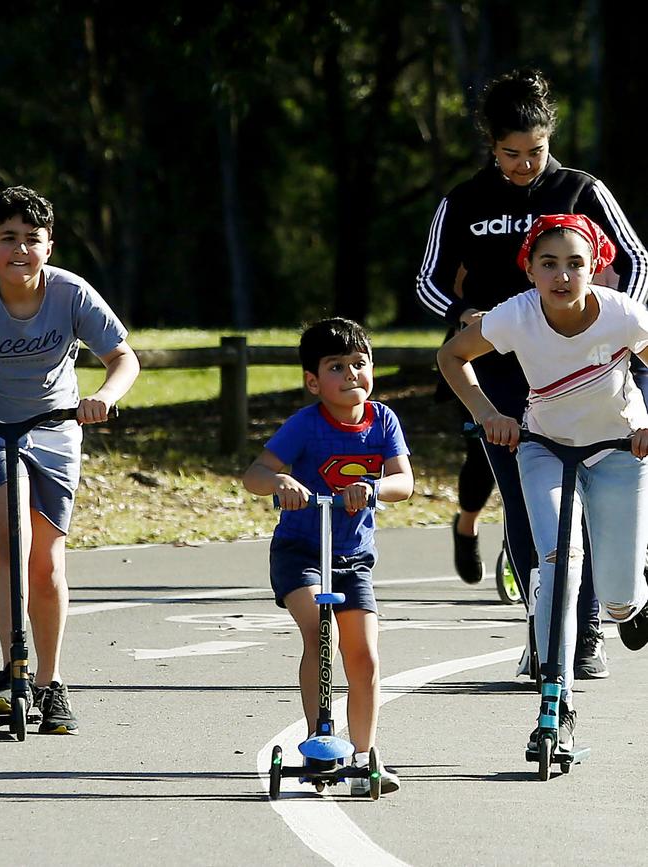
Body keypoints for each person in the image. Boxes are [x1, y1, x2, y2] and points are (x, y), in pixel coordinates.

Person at [416, 67, 648, 679]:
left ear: (551, 141)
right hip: (502, 369)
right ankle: (545, 631)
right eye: (510, 154)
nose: (524, 165)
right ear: (490, 147)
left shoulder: (581, 190)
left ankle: (590, 628)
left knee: (597, 496)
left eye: (536, 151)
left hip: (588, 364)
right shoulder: (464, 201)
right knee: (526, 505)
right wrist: (458, 310)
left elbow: (637, 260)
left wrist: (623, 329)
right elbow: (428, 278)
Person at [437, 213, 648, 749]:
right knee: (558, 561)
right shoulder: (518, 315)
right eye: (548, 264)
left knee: (619, 599)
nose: (562, 276)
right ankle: (556, 703)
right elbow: (453, 355)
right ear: (528, 270)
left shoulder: (622, 315)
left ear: (596, 267)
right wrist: (489, 415)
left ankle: (634, 599)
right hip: (544, 448)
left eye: (576, 264)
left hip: (619, 451)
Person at [242, 317, 414, 795]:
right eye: (337, 367)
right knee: (321, 632)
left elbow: (405, 481)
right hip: (301, 550)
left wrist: (373, 488)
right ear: (314, 381)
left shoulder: (384, 422)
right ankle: (321, 736)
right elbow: (255, 474)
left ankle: (363, 756)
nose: (352, 374)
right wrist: (281, 483)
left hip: (353, 556)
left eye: (360, 363)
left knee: (364, 655)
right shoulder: (304, 425)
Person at [0, 186, 140, 734]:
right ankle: (10, 671)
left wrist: (105, 396)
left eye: (31, 239)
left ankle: (49, 682)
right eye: (7, 237)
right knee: (9, 542)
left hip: (54, 429)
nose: (19, 249)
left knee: (46, 557)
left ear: (48, 247)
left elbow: (122, 357)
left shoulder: (70, 293)